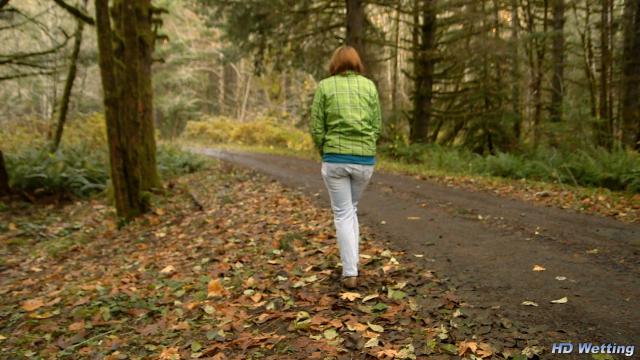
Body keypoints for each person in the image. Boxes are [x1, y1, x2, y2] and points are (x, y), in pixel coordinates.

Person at [310, 46, 382, 289]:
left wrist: (325, 150)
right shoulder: (369, 86)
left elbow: (316, 126)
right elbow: (376, 125)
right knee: (350, 208)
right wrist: (368, 145)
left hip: (335, 159)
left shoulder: (325, 86)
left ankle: (350, 272)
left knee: (343, 212)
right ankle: (353, 265)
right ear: (357, 62)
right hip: (364, 160)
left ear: (335, 63)